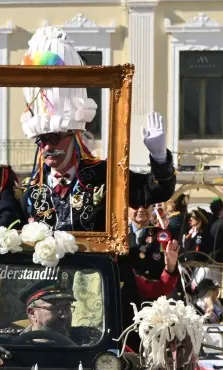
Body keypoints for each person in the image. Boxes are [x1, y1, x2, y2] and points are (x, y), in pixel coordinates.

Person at [19, 26, 175, 231]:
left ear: (74, 136)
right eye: (41, 140)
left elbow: (155, 191)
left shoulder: (105, 176)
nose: (47, 147)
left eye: (54, 138)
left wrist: (160, 157)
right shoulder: (30, 189)